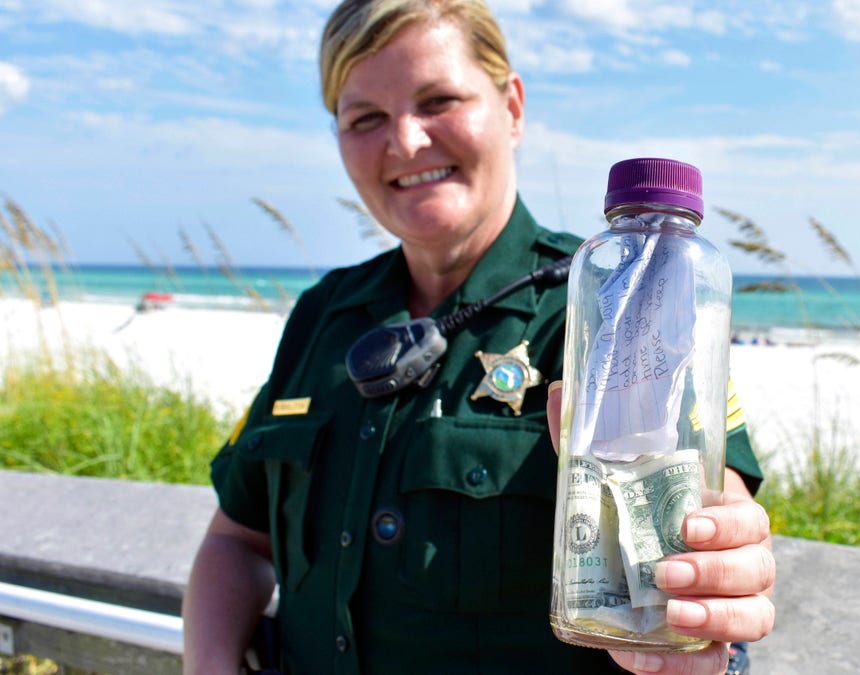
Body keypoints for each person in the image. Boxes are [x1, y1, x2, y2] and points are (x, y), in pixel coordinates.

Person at [181, 1, 775, 673]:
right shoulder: (324, 313)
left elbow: (714, 510)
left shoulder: (618, 306)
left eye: (438, 100)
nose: (404, 142)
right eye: (365, 118)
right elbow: (238, 538)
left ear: (513, 107)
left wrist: (707, 591)